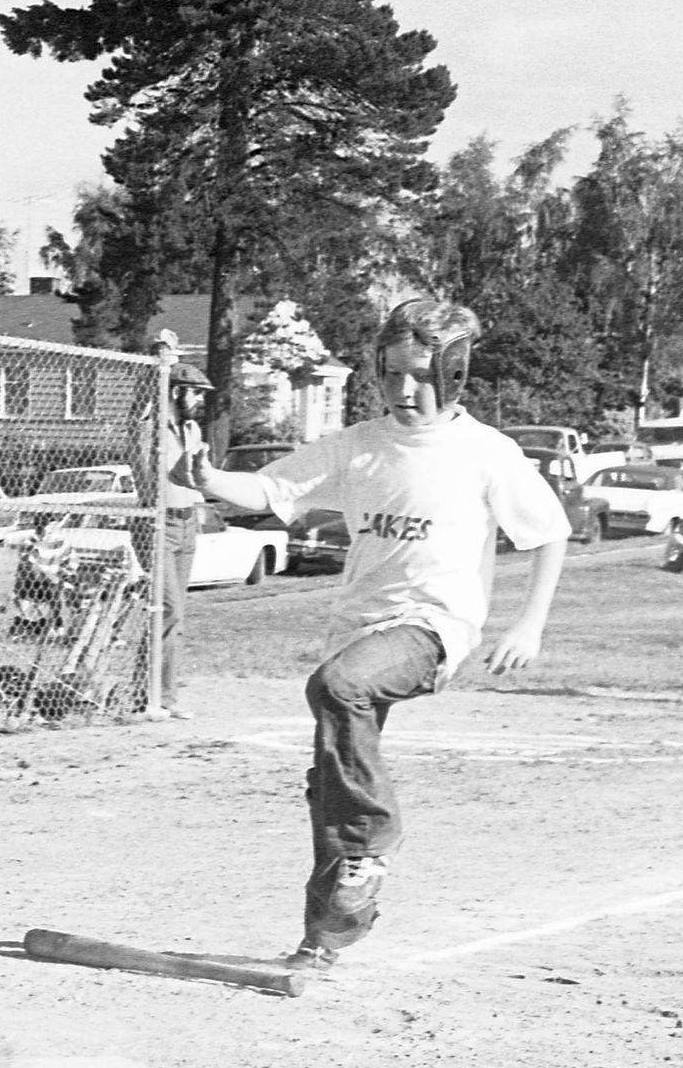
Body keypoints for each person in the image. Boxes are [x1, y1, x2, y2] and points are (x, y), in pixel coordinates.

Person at [176, 298, 570, 972]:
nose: (403, 389)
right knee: (329, 782)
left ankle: (372, 840)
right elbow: (270, 490)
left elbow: (550, 531)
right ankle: (326, 934)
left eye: (419, 375)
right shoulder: (358, 445)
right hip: (358, 627)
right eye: (390, 374)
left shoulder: (485, 452)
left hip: (433, 626)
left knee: (338, 688)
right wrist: (208, 478)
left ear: (454, 374)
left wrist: (529, 623)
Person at [127, 329, 211, 717]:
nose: (200, 401)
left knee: (174, 615)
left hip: (187, 521)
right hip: (158, 523)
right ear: (175, 392)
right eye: (194, 393)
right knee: (167, 608)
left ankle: (163, 696)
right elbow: (139, 415)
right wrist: (163, 363)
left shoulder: (191, 430)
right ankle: (148, 695)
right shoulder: (152, 427)